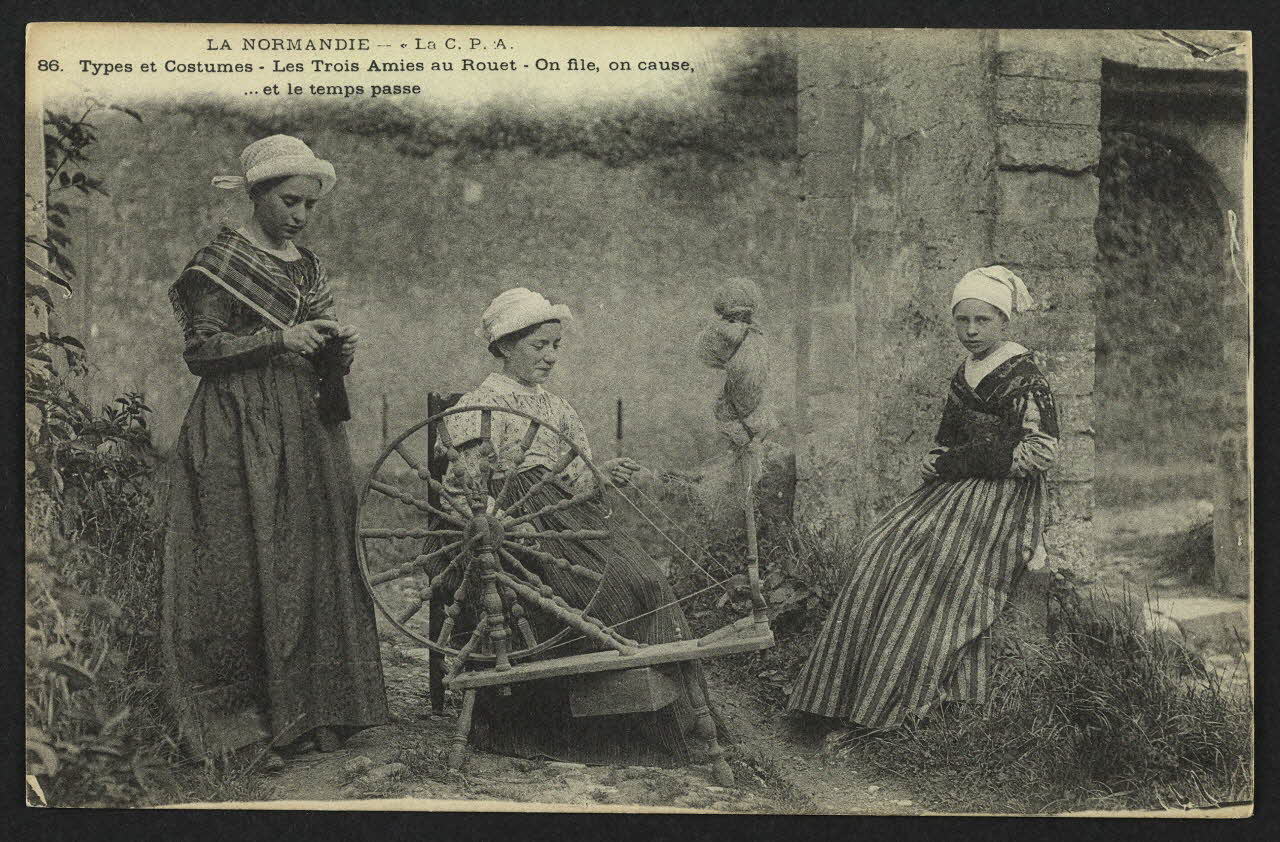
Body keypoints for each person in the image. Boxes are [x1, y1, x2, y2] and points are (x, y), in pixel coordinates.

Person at [161, 135, 387, 769]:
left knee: (313, 559)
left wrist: (335, 348)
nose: (300, 216)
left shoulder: (308, 265)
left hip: (306, 427)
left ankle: (318, 715)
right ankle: (245, 728)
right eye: (289, 202)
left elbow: (315, 342)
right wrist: (278, 338)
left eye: (310, 206)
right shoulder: (219, 263)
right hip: (237, 427)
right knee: (243, 566)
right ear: (257, 195)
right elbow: (201, 352)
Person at [429, 287, 723, 765]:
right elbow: (463, 488)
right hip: (519, 534)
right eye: (537, 346)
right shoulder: (478, 405)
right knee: (615, 589)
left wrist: (600, 473)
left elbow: (573, 475)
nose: (549, 357)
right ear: (504, 347)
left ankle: (666, 716)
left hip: (567, 521)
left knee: (648, 578)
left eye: (555, 347)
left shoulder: (557, 407)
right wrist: (498, 521)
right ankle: (602, 728)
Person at [787, 266, 1059, 728]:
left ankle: (899, 704)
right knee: (882, 545)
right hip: (957, 486)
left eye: (983, 321)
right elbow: (946, 439)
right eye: (962, 321)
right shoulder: (966, 371)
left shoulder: (1024, 375)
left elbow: (1041, 452)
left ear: (1004, 322)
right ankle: (840, 696)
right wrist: (936, 461)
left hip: (1006, 496)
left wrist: (965, 463)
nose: (971, 331)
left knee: (934, 556)